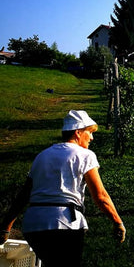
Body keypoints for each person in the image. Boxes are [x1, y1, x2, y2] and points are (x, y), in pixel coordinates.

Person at [0, 110, 126, 267]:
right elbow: (100, 196)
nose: (92, 138)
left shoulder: (42, 156)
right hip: (65, 224)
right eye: (89, 132)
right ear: (78, 132)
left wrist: (6, 226)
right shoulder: (85, 155)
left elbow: (23, 195)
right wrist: (117, 222)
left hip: (34, 225)